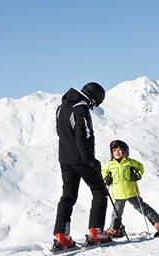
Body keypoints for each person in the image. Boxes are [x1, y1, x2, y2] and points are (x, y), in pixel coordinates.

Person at [52, 82, 111, 251]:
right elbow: (82, 136)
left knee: (68, 196)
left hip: (64, 158)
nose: (94, 106)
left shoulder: (61, 107)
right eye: (96, 103)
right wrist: (90, 160)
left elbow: (60, 132)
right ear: (93, 98)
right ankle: (96, 232)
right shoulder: (81, 109)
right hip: (81, 159)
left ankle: (62, 236)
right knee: (100, 191)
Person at [102, 140, 159, 237]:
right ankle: (115, 229)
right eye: (114, 150)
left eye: (119, 150)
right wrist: (106, 178)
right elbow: (104, 171)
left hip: (131, 192)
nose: (117, 152)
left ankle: (158, 222)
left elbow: (140, 167)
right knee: (116, 213)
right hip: (118, 194)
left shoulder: (130, 163)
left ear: (125, 151)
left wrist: (137, 175)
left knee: (142, 208)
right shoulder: (110, 165)